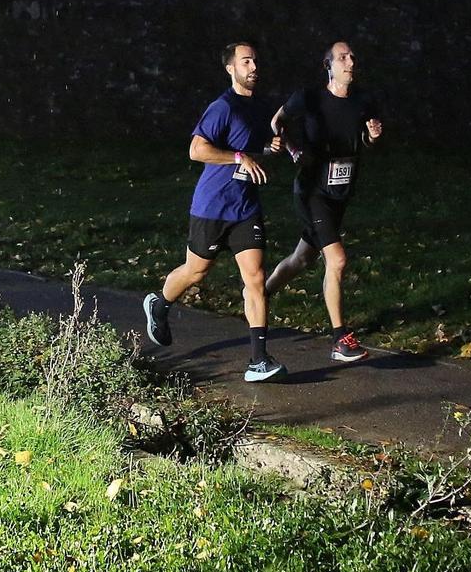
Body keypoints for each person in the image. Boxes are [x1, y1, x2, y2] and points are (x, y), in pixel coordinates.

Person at [142, 42, 289, 382]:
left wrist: (268, 148)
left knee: (255, 278)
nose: (253, 66)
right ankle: (159, 305)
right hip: (212, 206)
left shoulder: (260, 107)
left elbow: (253, 148)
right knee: (196, 272)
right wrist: (240, 157)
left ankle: (258, 361)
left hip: (245, 207)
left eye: (255, 60)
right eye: (246, 61)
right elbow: (197, 149)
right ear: (231, 68)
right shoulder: (222, 107)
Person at [265, 40, 384, 363]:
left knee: (302, 258)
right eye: (343, 57)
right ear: (328, 66)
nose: (350, 62)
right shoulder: (310, 98)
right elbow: (277, 122)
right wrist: (292, 151)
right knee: (338, 259)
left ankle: (260, 294)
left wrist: (372, 136)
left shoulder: (363, 100)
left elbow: (364, 140)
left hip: (340, 192)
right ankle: (339, 339)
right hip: (311, 191)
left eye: (353, 57)